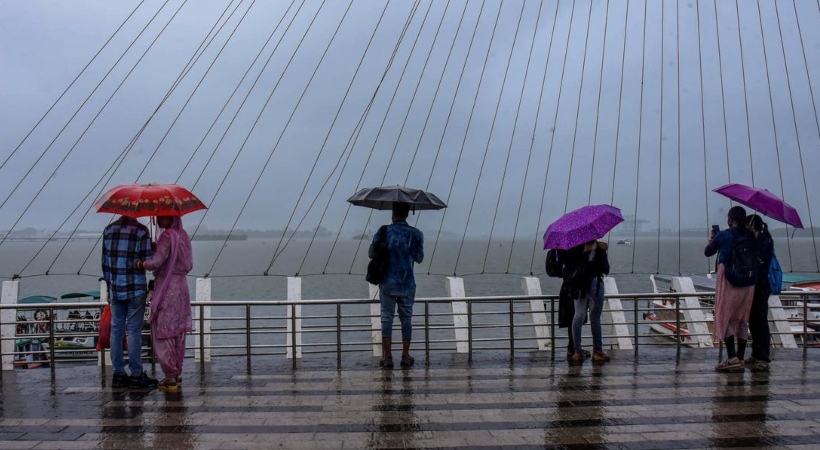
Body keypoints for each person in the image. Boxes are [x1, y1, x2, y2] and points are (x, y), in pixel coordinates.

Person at [136, 216, 194, 391]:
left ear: (170, 218)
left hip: (167, 287)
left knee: (164, 330)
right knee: (177, 331)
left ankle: (169, 376)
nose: (159, 219)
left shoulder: (167, 236)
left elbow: (157, 262)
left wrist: (140, 264)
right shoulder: (183, 235)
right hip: (182, 287)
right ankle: (176, 373)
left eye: (162, 216)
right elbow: (186, 263)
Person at [102, 215, 158, 389]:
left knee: (116, 330)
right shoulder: (141, 231)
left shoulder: (108, 230)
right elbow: (148, 262)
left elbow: (105, 262)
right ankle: (136, 374)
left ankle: (118, 374)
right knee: (134, 331)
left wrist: (110, 284)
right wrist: (153, 247)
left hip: (115, 288)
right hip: (135, 288)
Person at [368, 202, 424, 369]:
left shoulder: (384, 231)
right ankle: (405, 355)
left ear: (393, 213)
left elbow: (371, 253)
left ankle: (388, 357)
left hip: (387, 282)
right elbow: (419, 258)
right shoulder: (416, 234)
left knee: (386, 318)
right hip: (407, 283)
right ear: (407, 214)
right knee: (406, 319)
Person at [704, 205, 756, 371]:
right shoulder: (750, 235)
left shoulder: (724, 235)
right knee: (742, 319)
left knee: (725, 315)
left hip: (729, 278)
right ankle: (740, 357)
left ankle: (731, 358)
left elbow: (708, 252)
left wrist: (713, 238)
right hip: (749, 281)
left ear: (730, 219)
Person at [566, 240, 610, 363]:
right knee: (595, 317)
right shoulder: (599, 249)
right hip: (594, 284)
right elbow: (605, 269)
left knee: (578, 315)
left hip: (578, 285)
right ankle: (598, 351)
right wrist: (604, 251)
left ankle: (577, 351)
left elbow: (569, 267)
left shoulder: (573, 248)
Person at [746, 214, 773, 372]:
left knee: (761, 322)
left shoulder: (764, 240)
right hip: (755, 285)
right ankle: (756, 353)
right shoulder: (758, 240)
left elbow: (762, 260)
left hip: (761, 285)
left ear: (752, 224)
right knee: (753, 320)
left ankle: (763, 356)